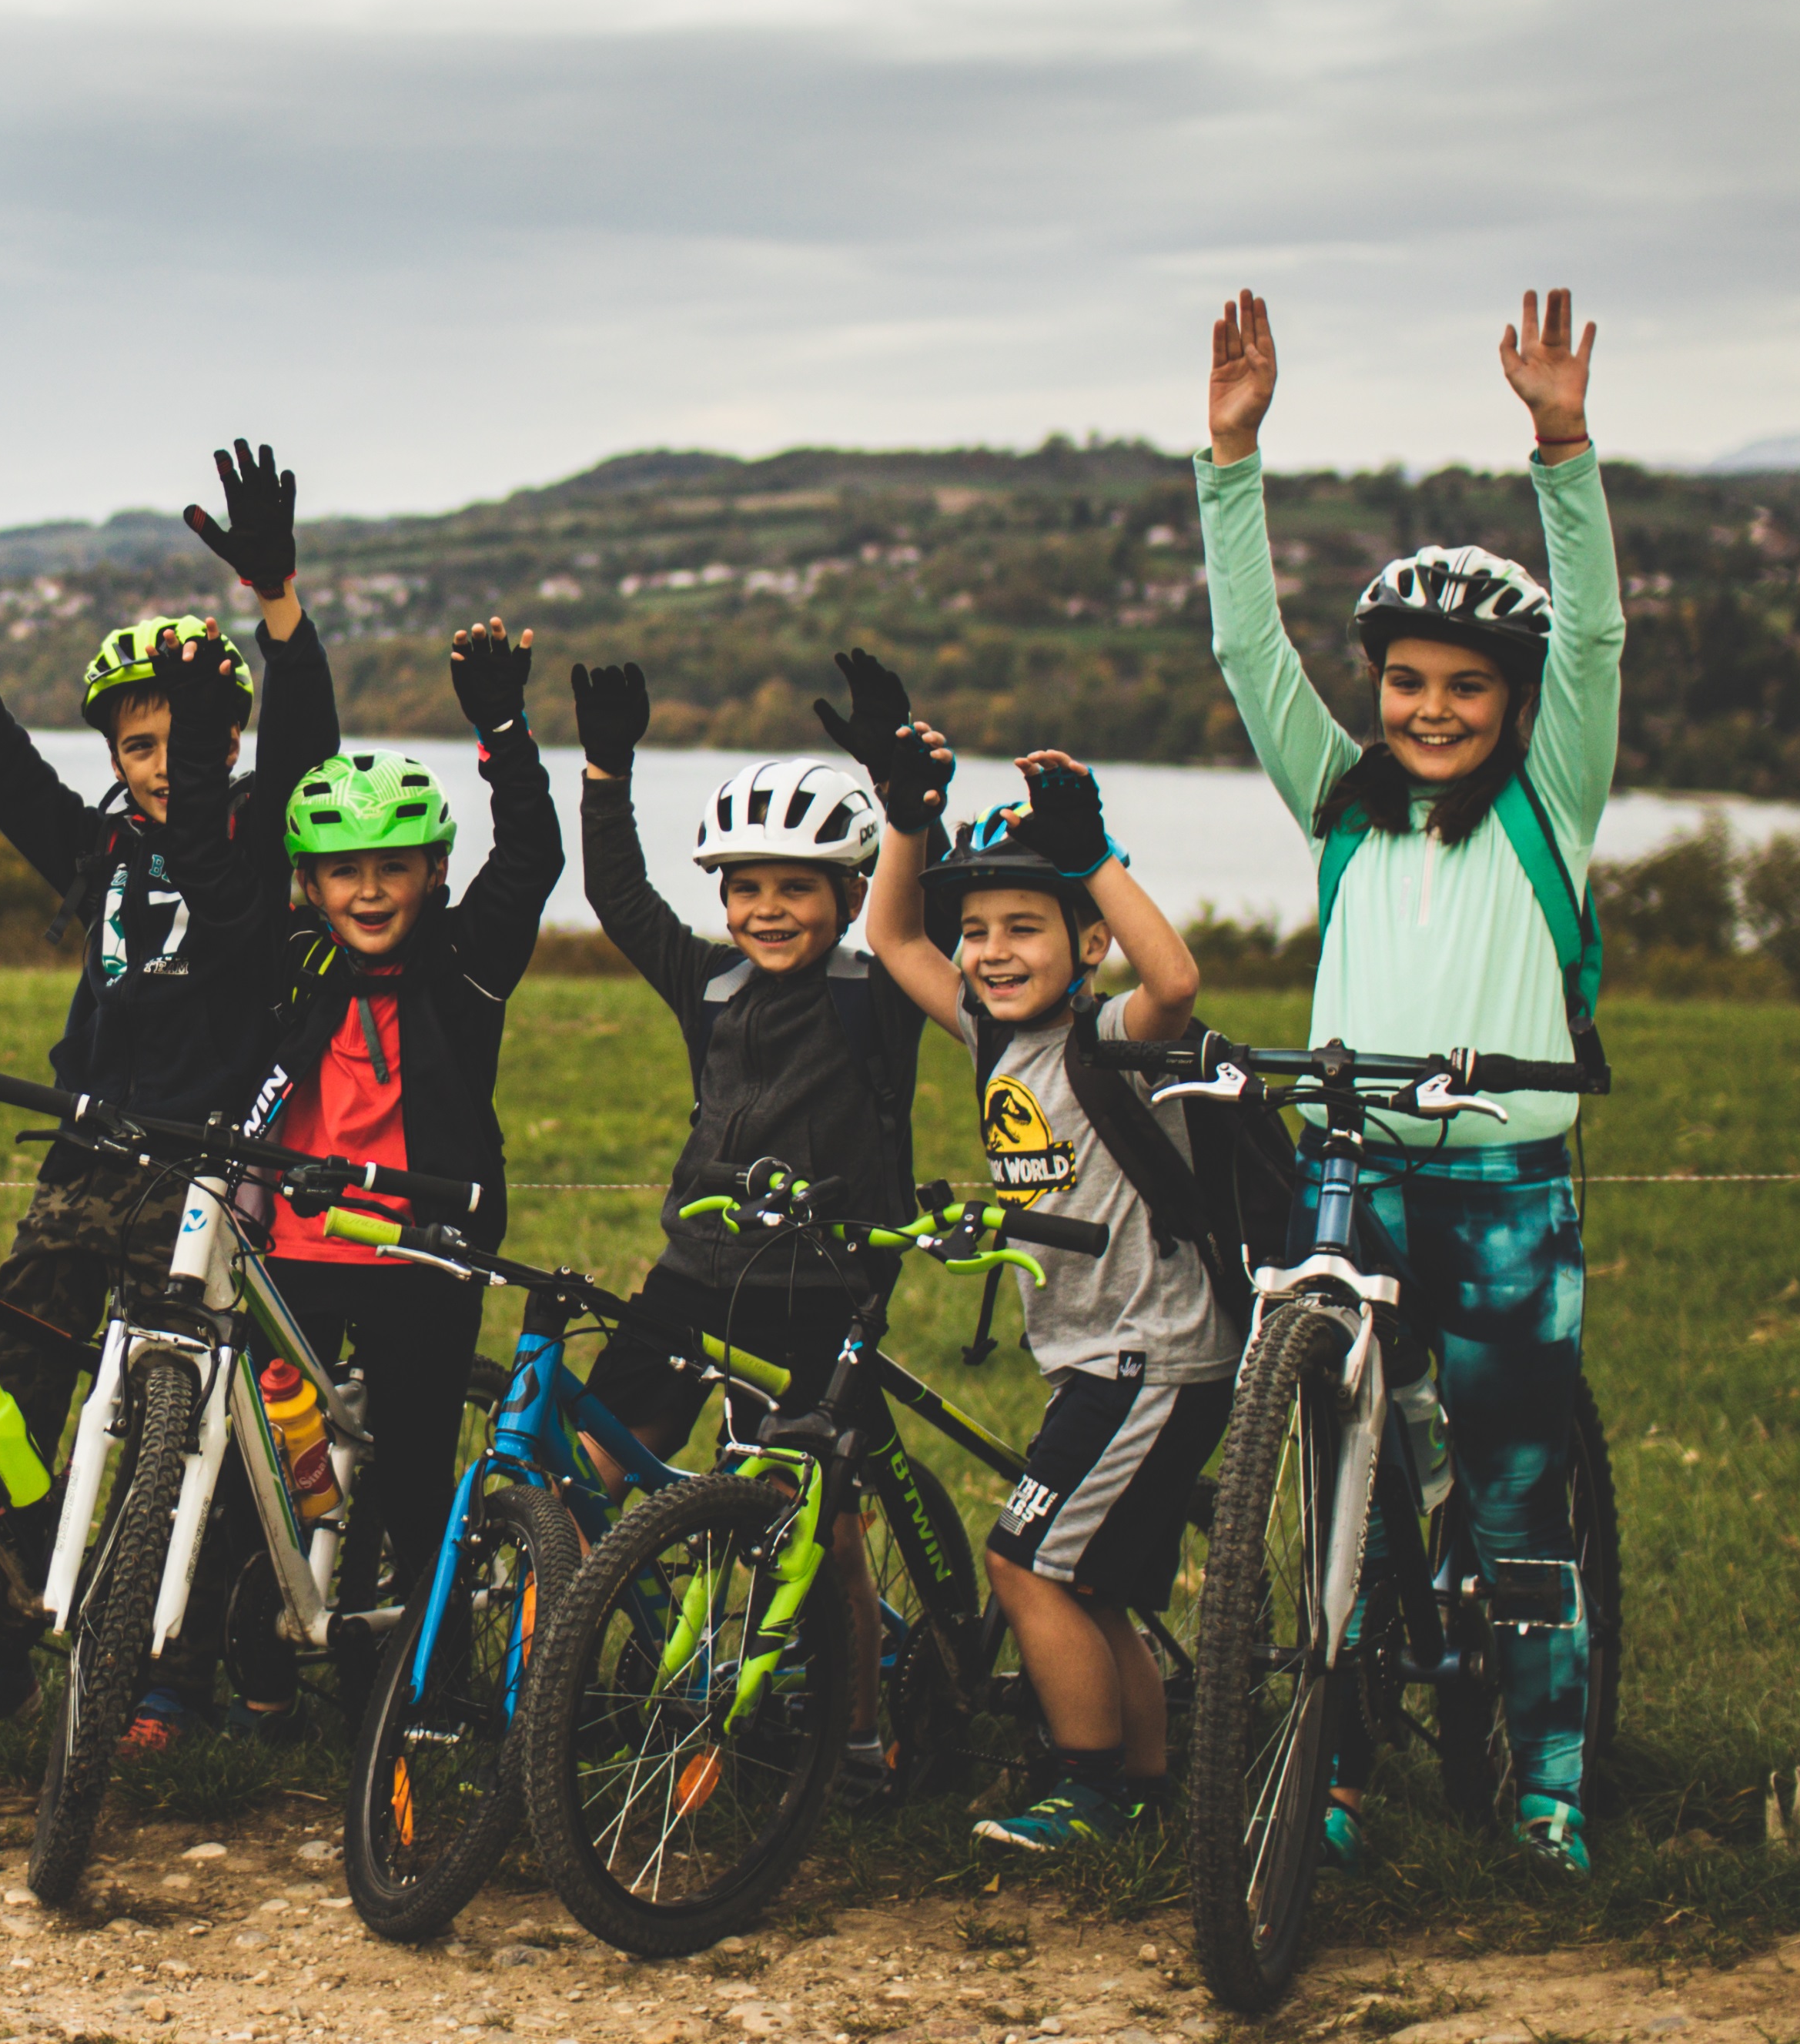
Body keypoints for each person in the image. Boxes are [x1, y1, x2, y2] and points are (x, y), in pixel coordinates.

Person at [1195, 286, 1623, 1873]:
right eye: (1403, 683)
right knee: (1343, 1504)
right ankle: (1335, 1769)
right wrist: (1229, 458)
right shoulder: (1340, 805)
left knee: (1512, 1501)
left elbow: (1590, 632)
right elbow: (1247, 647)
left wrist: (1558, 448)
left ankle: (1547, 1783)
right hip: (1349, 1171)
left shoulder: (1547, 804)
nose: (1427, 710)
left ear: (1510, 705)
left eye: (1462, 688)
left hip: (1504, 1187)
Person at [0, 440, 341, 1722]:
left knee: (171, 1430)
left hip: (204, 1167)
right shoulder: (93, 847)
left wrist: (280, 603)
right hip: (84, 1155)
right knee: (10, 1401)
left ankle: (168, 1671)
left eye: (185, 741)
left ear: (227, 740)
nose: (158, 764)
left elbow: (306, 727)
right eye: (138, 743)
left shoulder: (253, 839)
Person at [150, 618, 563, 1752]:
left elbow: (528, 859)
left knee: (420, 1478)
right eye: (344, 868)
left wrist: (504, 731)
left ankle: (427, 1692)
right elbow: (196, 854)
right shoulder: (288, 953)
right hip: (293, 1255)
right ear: (308, 879)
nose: (370, 889)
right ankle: (250, 1672)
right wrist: (192, 733)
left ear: (433, 870)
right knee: (254, 1468)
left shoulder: (468, 962)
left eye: (393, 866)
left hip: (422, 1253)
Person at [861, 736, 1228, 1852]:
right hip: (1097, 1355)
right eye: (975, 931)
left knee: (1024, 1563)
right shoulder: (992, 1038)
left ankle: (1088, 1788)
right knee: (1094, 1584)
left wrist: (1092, 848)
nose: (988, 951)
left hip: (1151, 1353)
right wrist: (907, 818)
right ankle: (1148, 1785)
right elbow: (886, 934)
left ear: (1086, 940)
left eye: (1023, 926)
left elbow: (1176, 981)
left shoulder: (1110, 1036)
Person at [571, 657, 922, 1802]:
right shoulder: (710, 985)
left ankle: (861, 1737)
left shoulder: (883, 994)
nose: (767, 909)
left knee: (820, 1523)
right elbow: (621, 900)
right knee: (590, 1463)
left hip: (824, 1294)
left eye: (798, 889)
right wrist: (605, 771)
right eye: (746, 887)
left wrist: (900, 775)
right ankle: (561, 1693)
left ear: (847, 892)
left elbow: (931, 898)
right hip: (693, 1276)